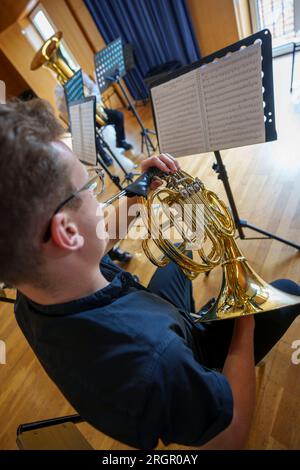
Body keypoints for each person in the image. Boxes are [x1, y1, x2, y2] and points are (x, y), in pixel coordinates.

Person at [1, 99, 299, 450]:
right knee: (287, 290)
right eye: (90, 190)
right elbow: (231, 436)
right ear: (66, 233)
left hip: (147, 317)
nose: (102, 200)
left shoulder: (33, 288)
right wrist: (243, 317)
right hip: (176, 351)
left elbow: (97, 235)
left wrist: (141, 190)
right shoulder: (158, 359)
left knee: (181, 256)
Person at [54, 71, 133, 153]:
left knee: (118, 115)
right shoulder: (58, 89)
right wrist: (65, 96)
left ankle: (120, 141)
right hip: (82, 120)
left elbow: (94, 88)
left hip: (95, 111)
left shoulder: (79, 75)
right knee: (90, 133)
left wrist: (91, 98)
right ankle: (103, 155)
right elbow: (62, 109)